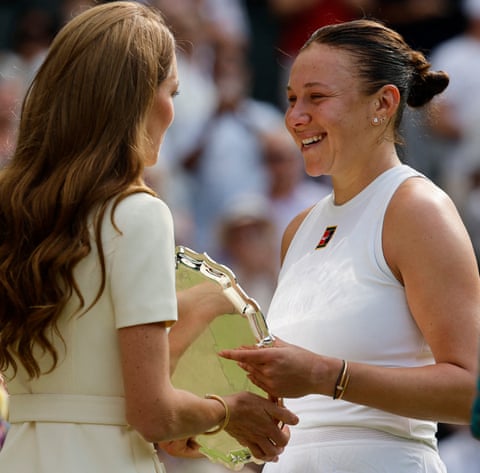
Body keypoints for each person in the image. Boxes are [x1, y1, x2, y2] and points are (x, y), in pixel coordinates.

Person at [0, 2, 298, 472]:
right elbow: (152, 413)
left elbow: (102, 377)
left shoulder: (14, 210)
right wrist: (228, 411)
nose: (173, 114)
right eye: (172, 92)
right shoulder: (137, 215)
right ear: (135, 99)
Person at [219, 18, 480, 473]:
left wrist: (326, 376)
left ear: (383, 103)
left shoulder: (417, 209)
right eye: (292, 99)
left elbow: (471, 390)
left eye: (317, 97)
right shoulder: (298, 229)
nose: (296, 117)